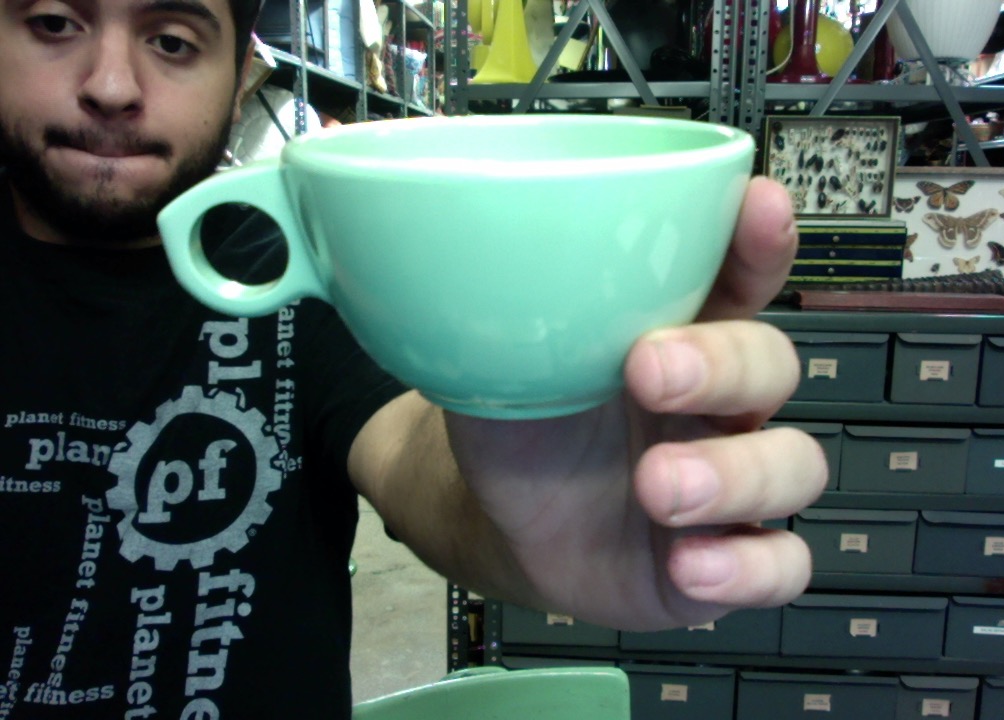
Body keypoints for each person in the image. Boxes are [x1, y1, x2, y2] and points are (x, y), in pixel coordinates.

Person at [0, 0, 827, 714]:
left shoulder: (299, 263)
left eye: (172, 39)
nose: (112, 85)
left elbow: (408, 450)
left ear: (242, 73)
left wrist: (551, 489)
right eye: (55, 23)